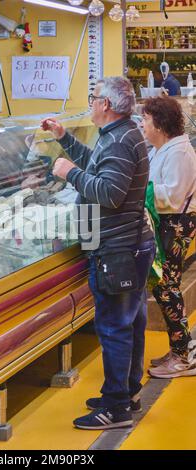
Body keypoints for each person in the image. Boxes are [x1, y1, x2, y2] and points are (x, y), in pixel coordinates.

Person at [41, 77, 155, 430]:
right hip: (126, 243)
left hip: (118, 248)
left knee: (115, 328)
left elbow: (110, 193)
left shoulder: (120, 139)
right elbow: (99, 168)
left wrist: (70, 173)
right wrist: (65, 139)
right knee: (130, 323)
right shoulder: (119, 134)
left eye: (93, 98)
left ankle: (116, 408)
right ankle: (125, 393)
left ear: (106, 104)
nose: (90, 103)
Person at [142, 96, 196, 378]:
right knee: (163, 285)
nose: (142, 125)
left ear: (160, 124)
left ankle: (182, 356)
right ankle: (179, 347)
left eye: (146, 121)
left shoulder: (180, 153)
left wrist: (139, 190)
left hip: (177, 222)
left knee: (167, 284)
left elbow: (173, 196)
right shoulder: (160, 148)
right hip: (165, 222)